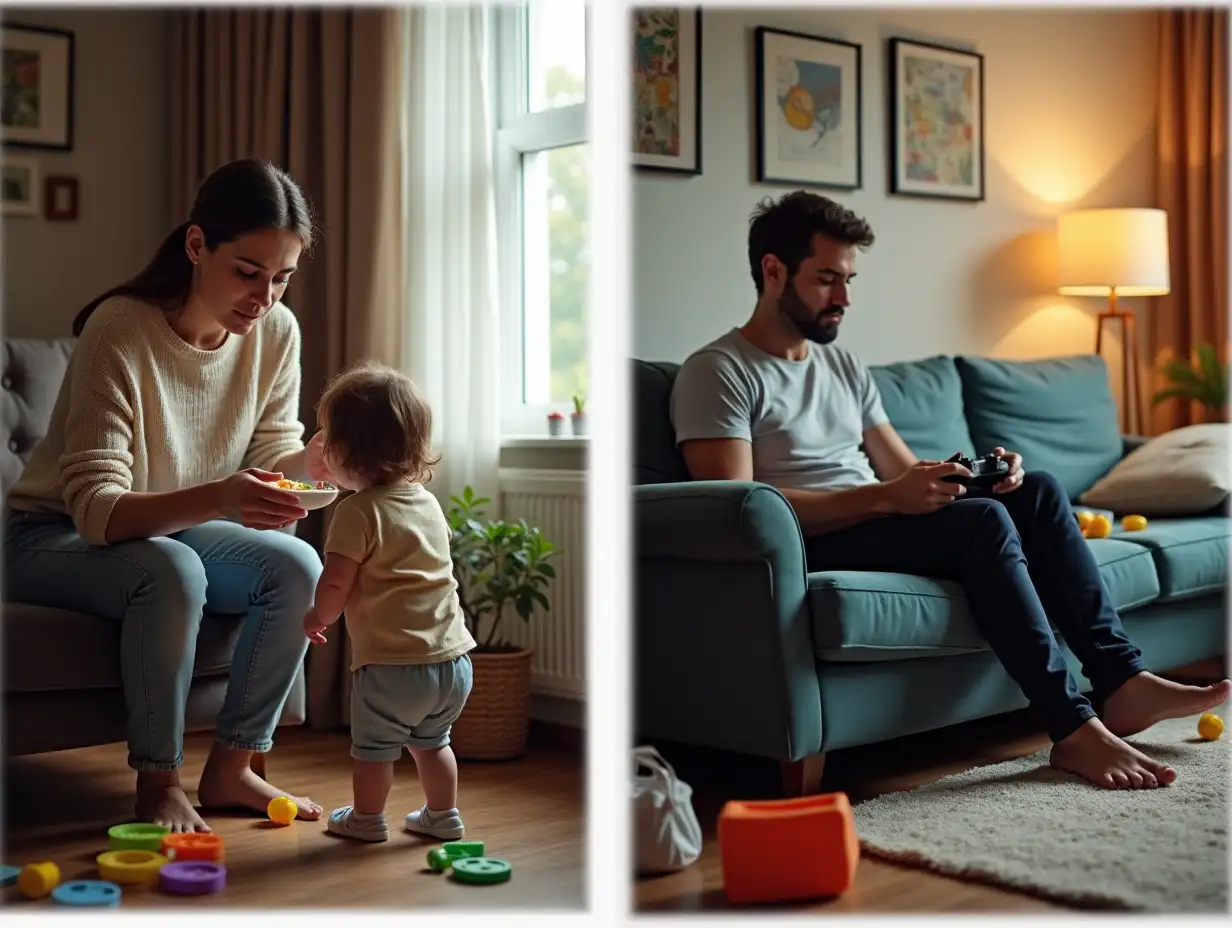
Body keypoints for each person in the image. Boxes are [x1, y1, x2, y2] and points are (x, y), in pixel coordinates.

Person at [670, 190, 1230, 790]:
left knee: (1035, 492)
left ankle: (1121, 682)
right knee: (985, 524)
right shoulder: (719, 370)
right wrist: (885, 497)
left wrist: (975, 476)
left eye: (849, 279)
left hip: (871, 518)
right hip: (809, 539)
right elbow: (737, 509)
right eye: (827, 279)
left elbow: (905, 468)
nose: (845, 298)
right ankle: (1071, 729)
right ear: (773, 271)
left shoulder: (842, 367)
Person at [4, 158, 331, 831]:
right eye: (247, 272)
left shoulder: (277, 333)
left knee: (299, 567)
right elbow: (96, 509)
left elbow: (270, 458)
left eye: (282, 278)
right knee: (173, 570)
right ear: (196, 246)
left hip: (172, 529)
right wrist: (221, 497)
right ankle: (158, 782)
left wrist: (319, 463)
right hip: (49, 536)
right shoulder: (120, 329)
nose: (264, 297)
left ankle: (233, 766)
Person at [302, 361, 475, 843]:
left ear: (343, 449)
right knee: (433, 743)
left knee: (373, 750)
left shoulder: (355, 512)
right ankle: (443, 816)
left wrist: (318, 616)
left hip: (393, 667)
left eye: (326, 436)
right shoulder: (426, 502)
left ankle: (366, 819)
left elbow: (336, 582)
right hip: (452, 660)